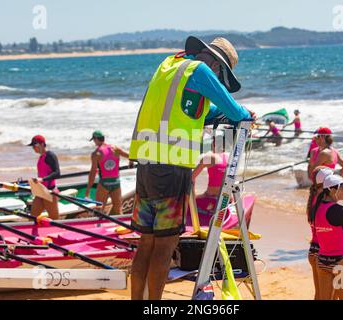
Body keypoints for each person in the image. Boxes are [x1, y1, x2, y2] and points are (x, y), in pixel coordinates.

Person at [128, 36, 254, 300]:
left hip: (146, 164)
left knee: (146, 244)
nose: (219, 79)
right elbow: (235, 110)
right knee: (166, 246)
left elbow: (188, 112)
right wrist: (247, 115)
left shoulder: (169, 66)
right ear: (218, 65)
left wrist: (219, 115)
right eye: (222, 74)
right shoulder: (201, 71)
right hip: (171, 167)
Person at [311, 174, 343, 300]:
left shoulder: (315, 209)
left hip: (323, 261)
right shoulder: (341, 211)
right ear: (333, 190)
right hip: (340, 263)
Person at [85, 131, 131, 215]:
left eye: (94, 140)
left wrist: (87, 191)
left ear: (95, 139)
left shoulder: (96, 153)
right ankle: (119, 226)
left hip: (104, 184)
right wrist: (131, 161)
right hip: (116, 182)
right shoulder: (115, 148)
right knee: (118, 210)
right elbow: (130, 155)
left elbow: (93, 173)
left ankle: (99, 226)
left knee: (99, 210)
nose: (94, 143)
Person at [306, 166, 334, 300]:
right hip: (326, 251)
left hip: (314, 249)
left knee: (320, 295)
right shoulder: (326, 201)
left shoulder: (313, 198)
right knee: (331, 295)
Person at [27, 135, 60, 220]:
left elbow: (57, 173)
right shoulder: (41, 157)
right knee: (32, 218)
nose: (33, 148)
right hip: (41, 191)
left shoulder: (50, 155)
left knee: (55, 220)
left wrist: (42, 179)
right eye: (32, 146)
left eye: (35, 146)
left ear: (42, 144)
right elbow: (42, 174)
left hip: (50, 192)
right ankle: (33, 233)